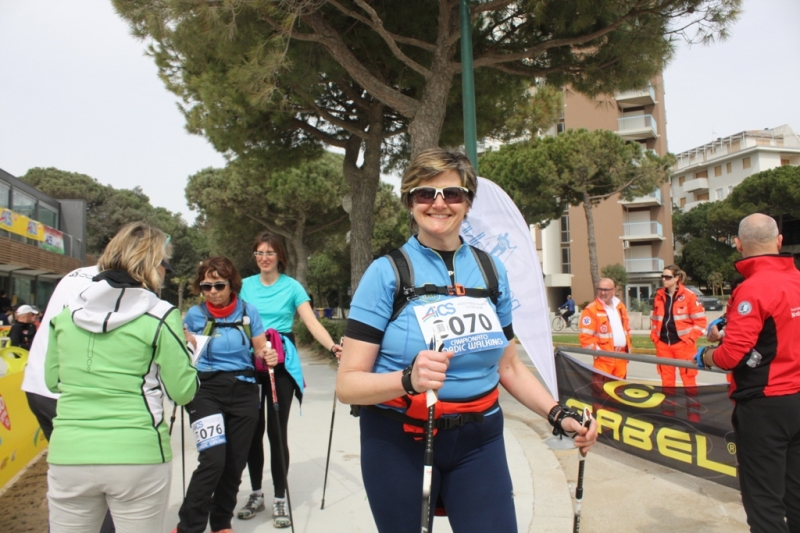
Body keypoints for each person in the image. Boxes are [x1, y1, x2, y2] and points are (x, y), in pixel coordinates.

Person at [336, 148, 597, 532]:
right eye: (426, 193)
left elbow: (508, 367)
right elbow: (347, 385)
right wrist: (406, 379)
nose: (439, 203)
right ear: (410, 202)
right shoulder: (386, 273)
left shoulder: (491, 271)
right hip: (399, 440)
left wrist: (558, 414)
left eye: (452, 194)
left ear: (467, 202)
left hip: (480, 439)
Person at [44, 222, 198, 533]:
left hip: (69, 452)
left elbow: (52, 380)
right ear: (152, 265)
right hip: (138, 452)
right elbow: (184, 392)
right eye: (164, 264)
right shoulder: (161, 314)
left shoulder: (66, 314)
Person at [698, 213, 800, 532]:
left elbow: (730, 357)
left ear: (739, 245)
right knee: (796, 494)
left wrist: (707, 355)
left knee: (764, 503)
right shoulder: (796, 280)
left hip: (766, 407)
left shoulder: (753, 288)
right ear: (780, 241)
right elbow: (777, 333)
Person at [238, 231, 343, 528]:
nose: (264, 258)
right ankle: (256, 493)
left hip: (280, 361)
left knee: (276, 430)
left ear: (280, 256)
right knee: (251, 430)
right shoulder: (243, 286)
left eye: (269, 253)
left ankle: (280, 499)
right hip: (249, 361)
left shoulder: (292, 287)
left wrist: (332, 346)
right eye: (259, 253)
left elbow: (311, 322)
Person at [173, 257, 276, 533]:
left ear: (232, 285)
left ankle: (220, 523)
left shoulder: (248, 312)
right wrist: (186, 343)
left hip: (243, 390)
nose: (213, 291)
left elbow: (259, 348)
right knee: (213, 459)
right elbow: (181, 355)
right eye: (206, 286)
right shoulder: (194, 316)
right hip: (206, 391)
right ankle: (189, 526)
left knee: (234, 463)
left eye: (219, 285)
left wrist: (269, 354)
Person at [650, 265, 707, 419]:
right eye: (663, 276)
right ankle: (668, 415)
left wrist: (689, 340)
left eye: (667, 277)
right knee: (667, 382)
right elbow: (655, 319)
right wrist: (655, 337)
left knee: (689, 382)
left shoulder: (689, 296)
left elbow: (701, 323)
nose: (664, 279)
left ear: (677, 278)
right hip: (663, 345)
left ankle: (694, 417)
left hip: (684, 346)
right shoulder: (659, 295)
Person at [578, 278, 632, 378]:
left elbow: (627, 330)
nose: (603, 293)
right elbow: (585, 338)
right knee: (601, 391)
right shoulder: (591, 309)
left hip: (622, 357)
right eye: (600, 289)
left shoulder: (620, 307)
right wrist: (599, 353)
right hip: (604, 361)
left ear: (614, 290)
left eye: (606, 290)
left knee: (619, 391)